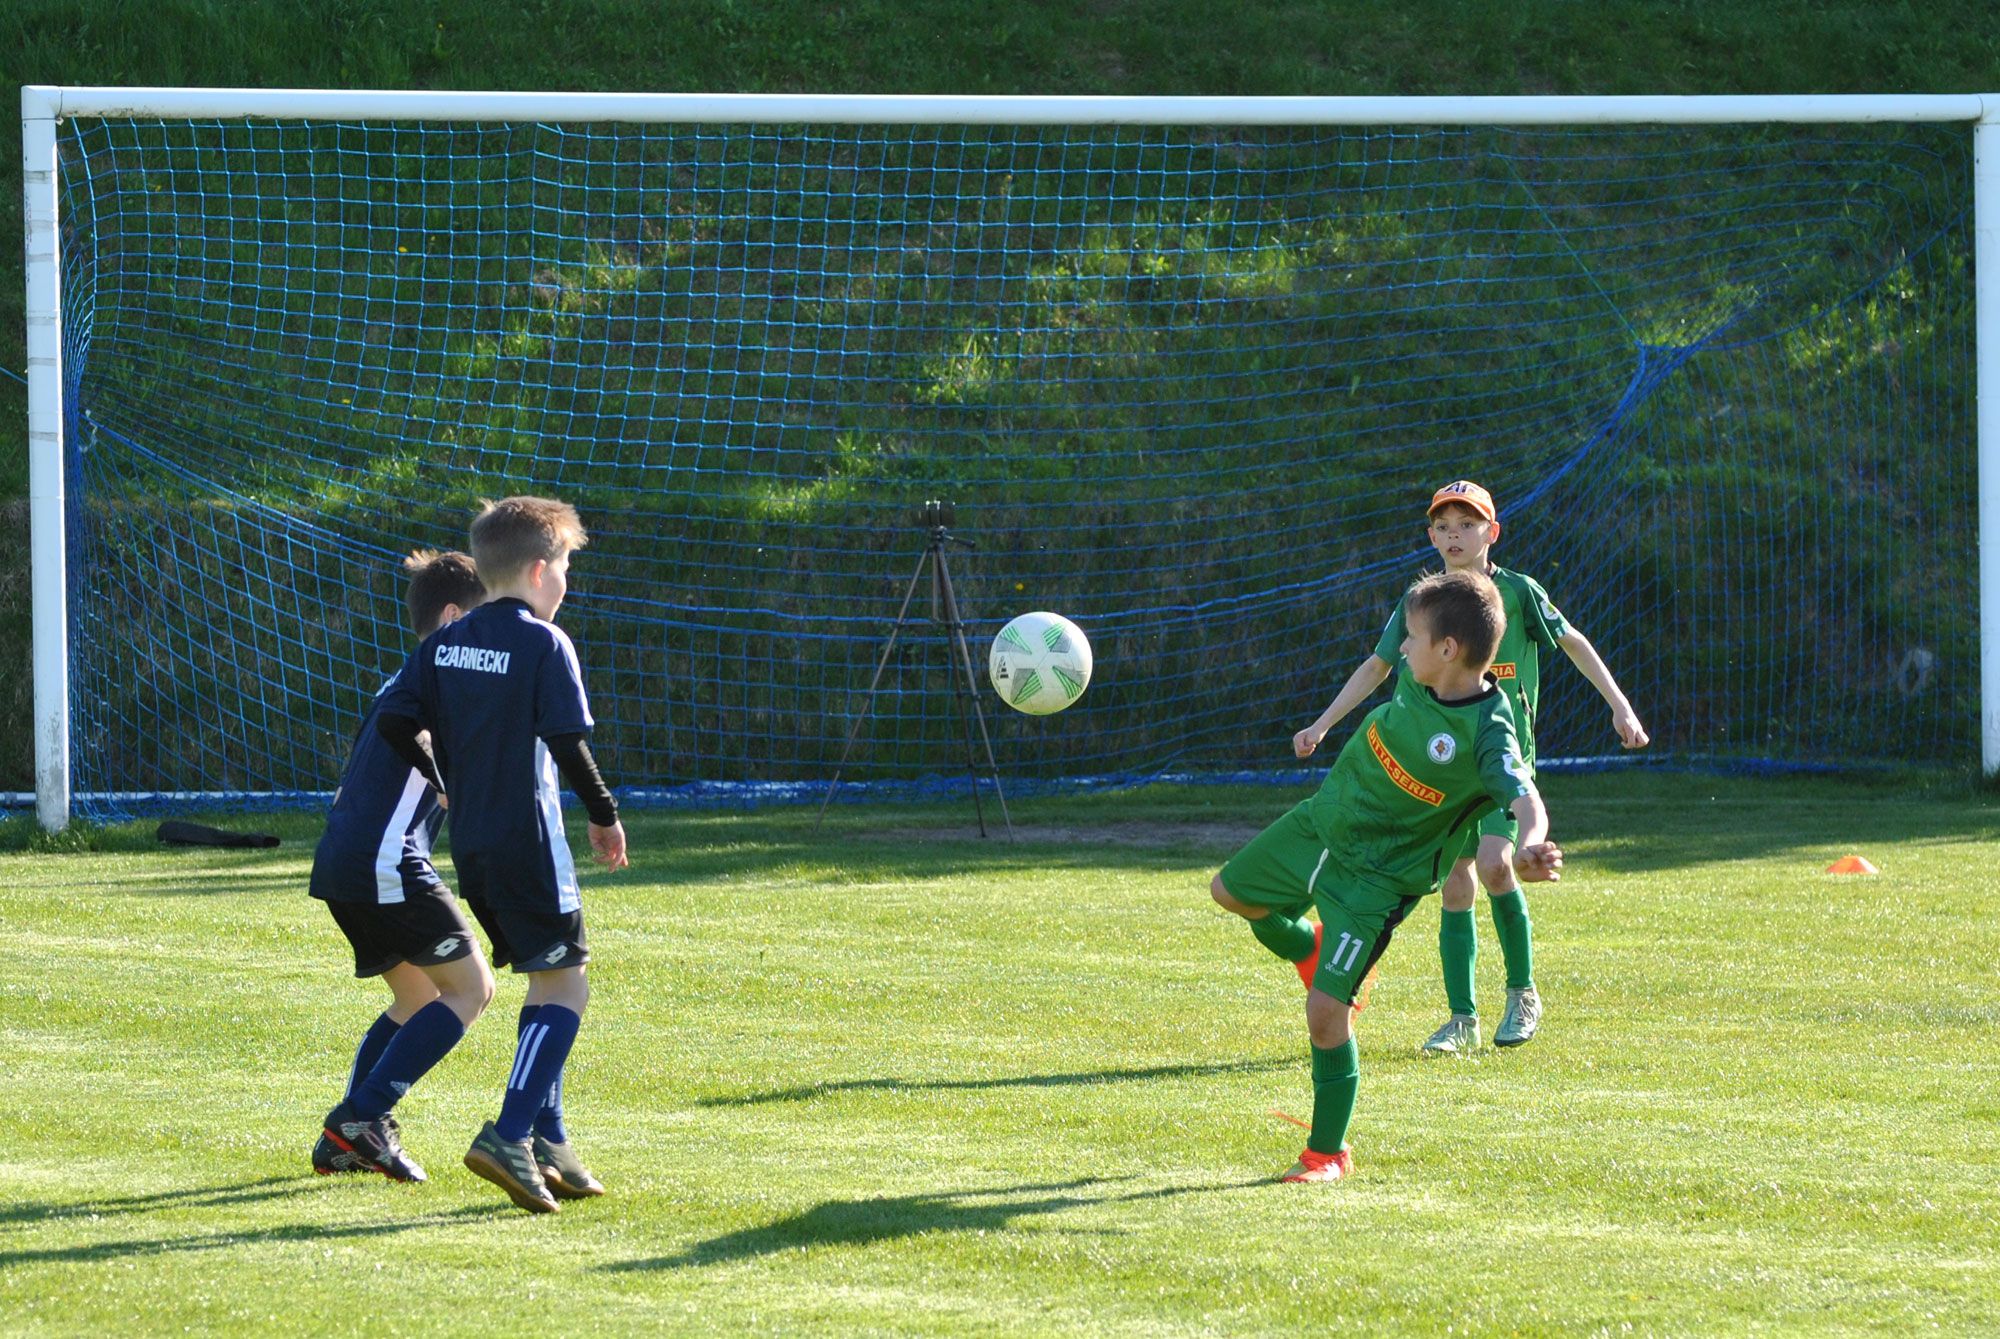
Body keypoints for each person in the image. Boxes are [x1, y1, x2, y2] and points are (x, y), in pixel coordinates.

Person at [1211, 569, 1562, 1182]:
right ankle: (1310, 946)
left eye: (1412, 637)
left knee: (1325, 1013)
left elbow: (1525, 796)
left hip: (1377, 881)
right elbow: (1377, 669)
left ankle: (1326, 1154)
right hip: (1323, 822)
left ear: (1447, 650)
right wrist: (1320, 726)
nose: (1401, 646)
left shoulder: (1488, 731)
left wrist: (1532, 845)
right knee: (1230, 893)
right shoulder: (1418, 671)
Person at [1293, 480, 1647, 1053]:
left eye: (1467, 523)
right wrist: (1323, 723)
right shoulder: (1423, 603)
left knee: (1494, 865)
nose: (1454, 534)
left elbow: (1574, 641)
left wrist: (1620, 706)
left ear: (1492, 532)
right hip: (1444, 775)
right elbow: (1380, 665)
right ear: (1431, 536)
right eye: (1443, 525)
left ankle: (1522, 992)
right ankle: (1462, 1018)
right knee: (1455, 883)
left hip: (1501, 761)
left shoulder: (1520, 592)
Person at [378, 496, 629, 1214]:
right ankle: (510, 1132)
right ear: (538, 568)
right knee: (567, 984)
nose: (568, 583)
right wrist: (605, 816)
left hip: (473, 849)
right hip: (531, 840)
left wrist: (445, 779)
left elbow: (394, 719)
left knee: (542, 979)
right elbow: (569, 743)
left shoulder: (444, 642)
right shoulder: (546, 643)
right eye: (568, 567)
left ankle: (551, 1139)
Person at [312, 550, 495, 1182]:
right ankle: (362, 1115)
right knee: (472, 989)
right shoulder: (442, 673)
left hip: (344, 859)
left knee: (418, 996)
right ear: (451, 618)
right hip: (384, 860)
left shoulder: (403, 676)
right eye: (483, 616)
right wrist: (447, 778)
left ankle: (346, 1140)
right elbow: (408, 737)